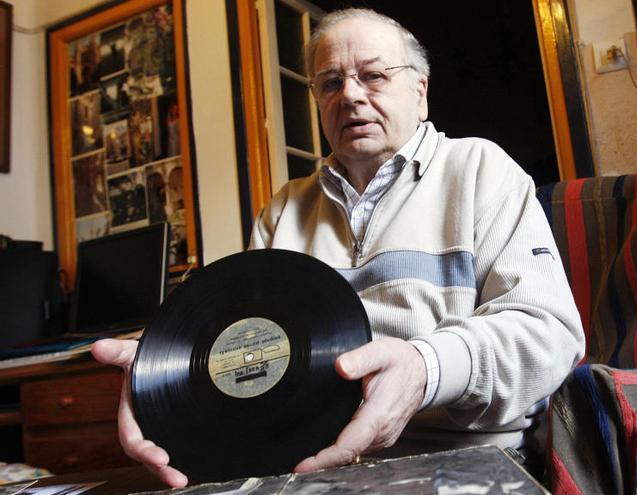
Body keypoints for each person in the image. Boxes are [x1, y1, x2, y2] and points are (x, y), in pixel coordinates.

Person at [92, 8, 584, 488]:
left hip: (460, 463)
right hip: (304, 474)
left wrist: (425, 368)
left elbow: (549, 334)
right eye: (330, 83)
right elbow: (243, 348)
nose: (349, 94)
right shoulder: (283, 210)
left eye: (372, 76)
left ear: (420, 92)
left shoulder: (481, 169)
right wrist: (161, 374)